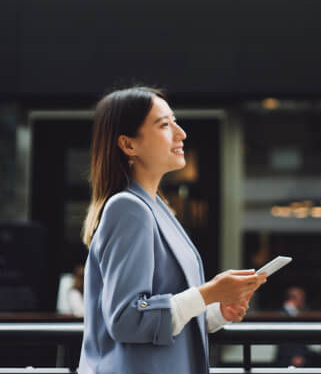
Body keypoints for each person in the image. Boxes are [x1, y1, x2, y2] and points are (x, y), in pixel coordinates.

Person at [78, 87, 267, 374]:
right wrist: (208, 294)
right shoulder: (129, 208)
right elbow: (126, 319)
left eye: (174, 121)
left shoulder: (157, 208)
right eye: (164, 125)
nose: (181, 134)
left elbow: (161, 316)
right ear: (129, 145)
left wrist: (215, 312)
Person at [275, 286, 321, 367]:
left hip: (301, 352)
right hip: (290, 356)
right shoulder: (282, 314)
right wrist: (296, 355)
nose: (303, 300)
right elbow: (285, 339)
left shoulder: (298, 312)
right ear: (294, 298)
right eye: (302, 297)